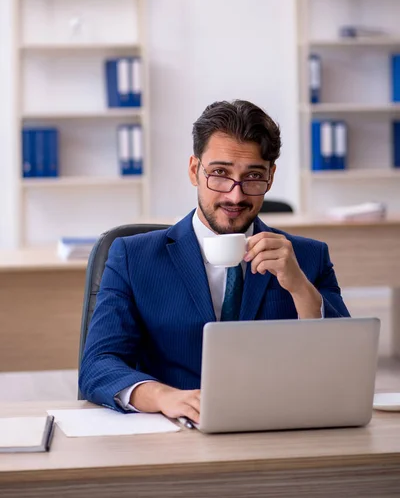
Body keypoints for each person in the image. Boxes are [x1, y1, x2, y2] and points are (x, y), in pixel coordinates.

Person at [79, 99, 350, 423]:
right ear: (195, 170)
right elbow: (97, 365)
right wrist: (163, 396)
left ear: (271, 177)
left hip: (280, 427)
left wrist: (301, 289)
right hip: (175, 432)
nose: (235, 196)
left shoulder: (307, 257)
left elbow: (346, 363)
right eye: (220, 174)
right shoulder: (132, 257)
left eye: (252, 176)